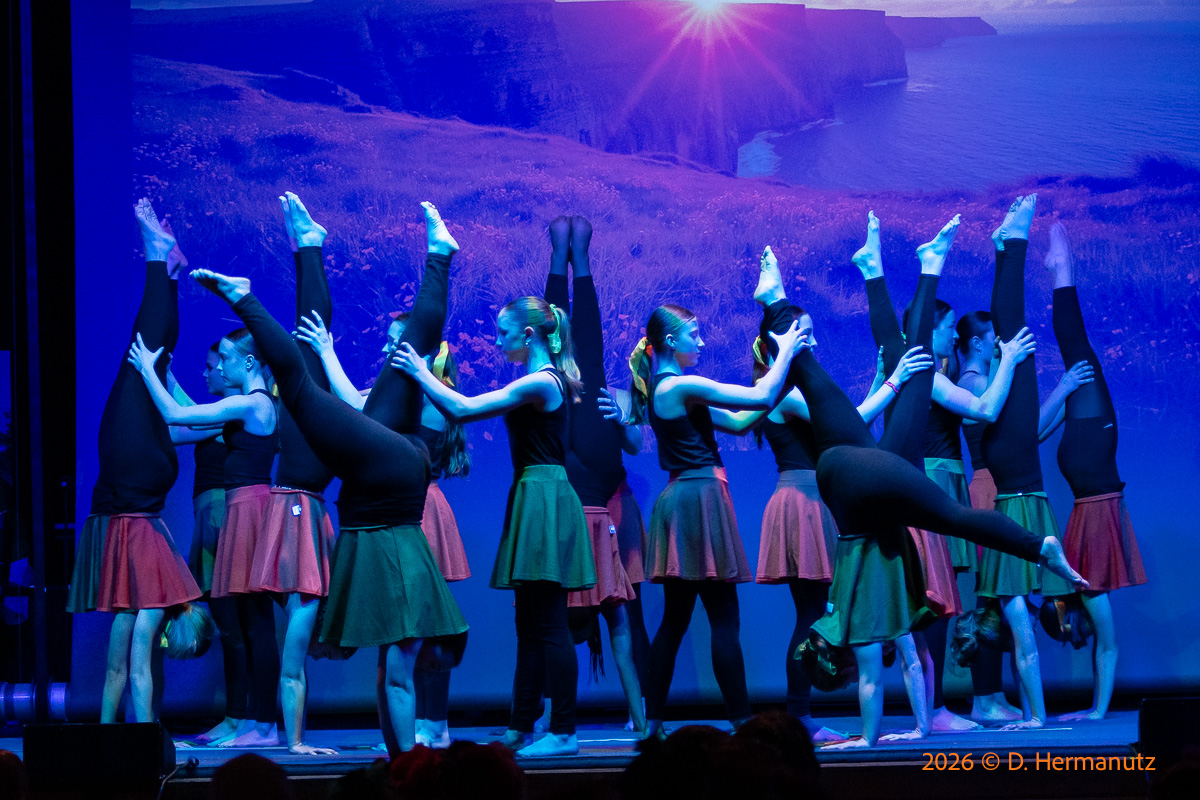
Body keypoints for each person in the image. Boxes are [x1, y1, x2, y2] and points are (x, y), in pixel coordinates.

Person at [756, 215, 1085, 748]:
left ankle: (1038, 548)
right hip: (848, 474)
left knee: (910, 398)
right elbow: (893, 668)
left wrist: (868, 742)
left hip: (857, 475)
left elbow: (874, 678)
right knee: (893, 376)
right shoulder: (843, 615)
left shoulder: (858, 620)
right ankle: (813, 290)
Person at [189, 199, 467, 757]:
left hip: (387, 476)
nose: (389, 354)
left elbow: (398, 686)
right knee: (314, 371)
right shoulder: (394, 410)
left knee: (298, 383)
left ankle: (248, 295)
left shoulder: (419, 406)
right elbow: (356, 406)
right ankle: (414, 253)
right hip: (385, 474)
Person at [392, 290, 596, 757]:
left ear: (529, 334)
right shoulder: (537, 379)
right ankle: (520, 726)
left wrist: (421, 371)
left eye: (504, 334)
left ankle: (564, 731)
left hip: (544, 496)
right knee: (529, 623)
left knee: (550, 622)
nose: (498, 341)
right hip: (532, 493)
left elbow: (463, 409)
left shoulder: (542, 381)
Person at [747, 261, 933, 742]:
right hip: (803, 501)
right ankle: (799, 714)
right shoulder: (785, 391)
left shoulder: (796, 388)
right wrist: (894, 382)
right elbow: (854, 421)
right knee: (811, 613)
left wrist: (880, 378)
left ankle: (804, 712)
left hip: (816, 496)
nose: (812, 343)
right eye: (803, 335)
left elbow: (845, 424)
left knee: (817, 610)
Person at [616, 288, 806, 741]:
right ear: (669, 341)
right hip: (698, 499)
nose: (701, 342)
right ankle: (740, 721)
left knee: (676, 621)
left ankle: (655, 723)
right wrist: (785, 352)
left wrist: (777, 391)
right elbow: (758, 396)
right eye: (694, 335)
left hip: (689, 498)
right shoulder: (679, 386)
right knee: (722, 619)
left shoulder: (674, 389)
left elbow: (740, 421)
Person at [296, 286, 472, 751]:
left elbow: (359, 411)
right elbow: (360, 405)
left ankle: (433, 725)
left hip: (415, 511)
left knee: (420, 627)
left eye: (395, 343)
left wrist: (326, 355)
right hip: (404, 506)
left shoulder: (427, 394)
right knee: (406, 631)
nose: (386, 350)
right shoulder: (403, 393)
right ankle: (418, 726)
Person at [91, 199, 203, 724]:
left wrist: (106, 737)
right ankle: (160, 261)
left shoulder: (148, 591)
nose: (159, 640)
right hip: (134, 478)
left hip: (135, 482)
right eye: (168, 640)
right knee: (144, 358)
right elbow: (138, 670)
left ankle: (167, 269)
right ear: (178, 625)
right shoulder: (161, 590)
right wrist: (148, 737)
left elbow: (117, 670)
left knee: (146, 360)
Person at [1040, 220, 1147, 722]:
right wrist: (1094, 713)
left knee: (1076, 349)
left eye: (1063, 630)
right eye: (1066, 631)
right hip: (1094, 462)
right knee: (1077, 349)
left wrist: (1062, 394)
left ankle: (1063, 270)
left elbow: (1035, 434)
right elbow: (1108, 647)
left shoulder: (1079, 580)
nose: (1070, 635)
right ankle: (1063, 270)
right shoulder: (1087, 586)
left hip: (1090, 464)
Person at [543, 215, 646, 735]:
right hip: (598, 468)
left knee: (572, 360)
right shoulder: (595, 599)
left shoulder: (571, 594)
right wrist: (624, 420)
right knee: (567, 358)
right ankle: (569, 256)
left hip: (589, 468)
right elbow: (636, 442)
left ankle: (571, 256)